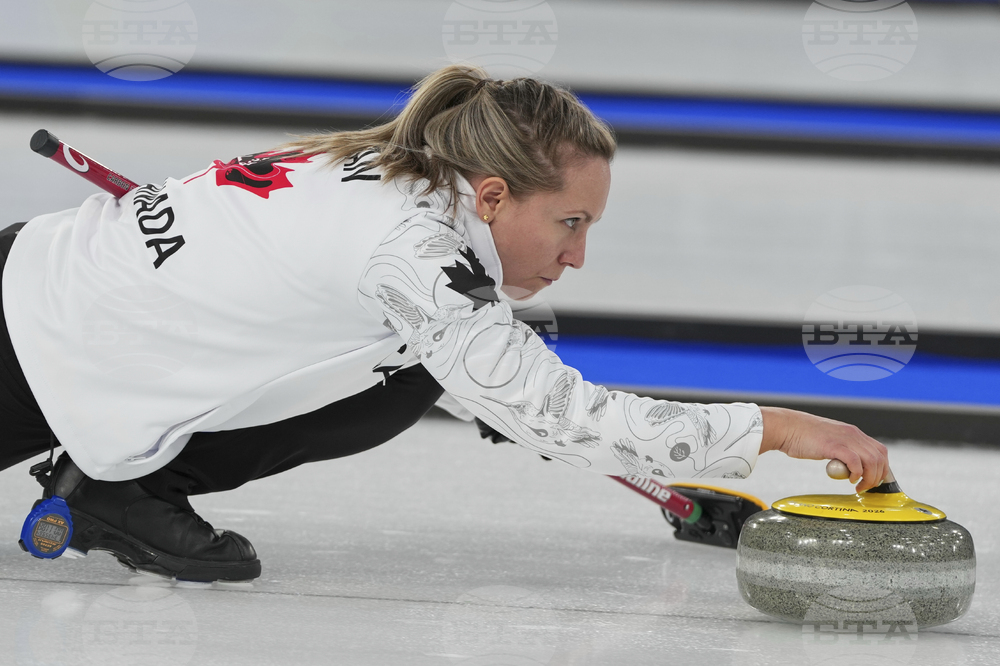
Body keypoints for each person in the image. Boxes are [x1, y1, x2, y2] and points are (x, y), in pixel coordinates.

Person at [0, 64, 889, 583]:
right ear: (494, 195)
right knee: (421, 365)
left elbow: (486, 373)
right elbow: (562, 413)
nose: (576, 258)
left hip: (48, 297)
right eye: (571, 224)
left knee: (410, 372)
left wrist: (491, 383)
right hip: (32, 347)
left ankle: (123, 488)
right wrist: (777, 427)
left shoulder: (400, 169)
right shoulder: (414, 251)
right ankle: (120, 482)